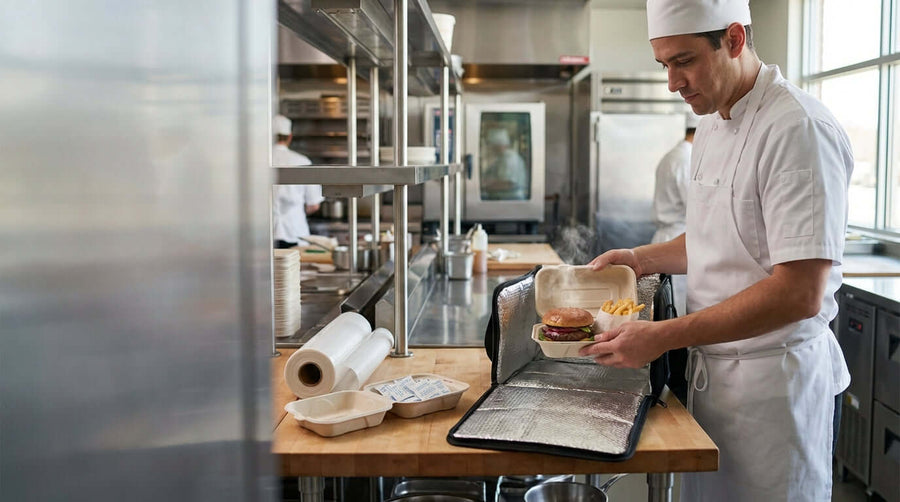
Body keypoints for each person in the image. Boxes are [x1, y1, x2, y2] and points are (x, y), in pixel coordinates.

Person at [582, 0, 853, 500]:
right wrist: (639, 259)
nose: (672, 82)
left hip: (774, 391)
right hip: (716, 383)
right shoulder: (711, 123)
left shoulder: (797, 130)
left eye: (684, 61)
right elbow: (718, 236)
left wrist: (664, 335)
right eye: (663, 65)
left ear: (733, 38)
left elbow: (799, 293)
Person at [650, 110, 700, 318]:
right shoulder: (686, 159)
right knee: (675, 310)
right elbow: (698, 207)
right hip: (677, 242)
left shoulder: (674, 155)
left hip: (668, 238)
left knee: (668, 309)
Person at [271, 114, 324, 249]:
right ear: (289, 137)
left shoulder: (257, 161)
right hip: (294, 231)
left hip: (265, 234)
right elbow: (314, 205)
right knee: (293, 267)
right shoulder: (302, 162)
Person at [480, 128, 528, 200]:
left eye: (491, 145)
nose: (490, 148)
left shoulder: (510, 158)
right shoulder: (501, 158)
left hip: (511, 200)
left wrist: (484, 186)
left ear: (498, 145)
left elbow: (508, 184)